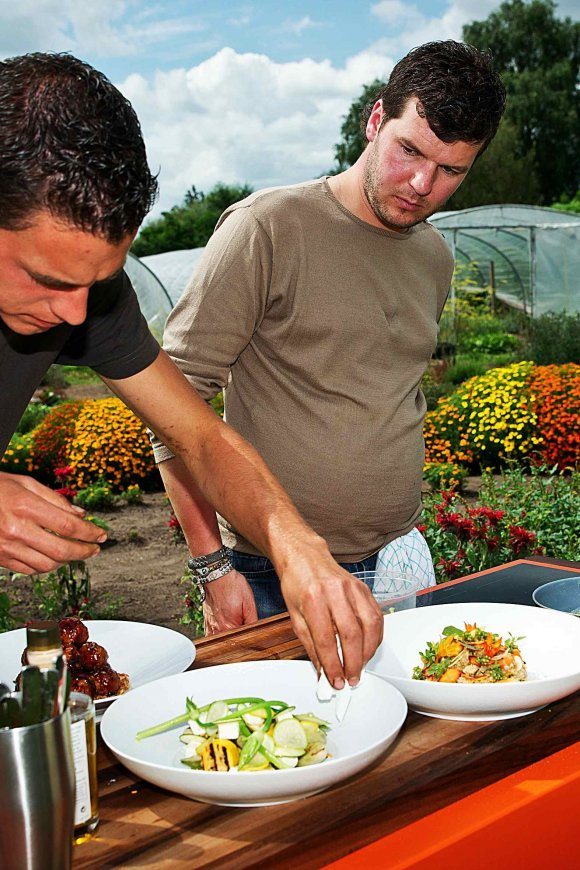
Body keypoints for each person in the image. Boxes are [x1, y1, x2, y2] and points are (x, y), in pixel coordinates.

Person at [0, 52, 384, 689]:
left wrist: (293, 542)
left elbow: (199, 436)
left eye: (94, 283)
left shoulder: (89, 296)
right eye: (47, 279)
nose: (74, 313)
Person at [152, 40, 506, 631]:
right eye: (409, 150)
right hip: (271, 574)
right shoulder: (266, 228)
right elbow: (172, 402)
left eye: (451, 171)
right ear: (375, 121)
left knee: (409, 724)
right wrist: (212, 567)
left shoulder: (433, 257)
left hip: (398, 558)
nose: (422, 183)